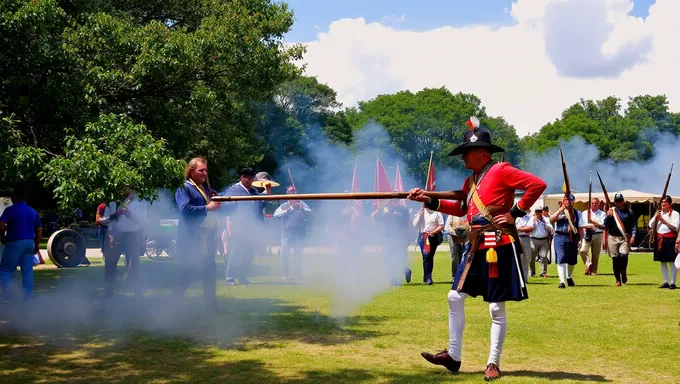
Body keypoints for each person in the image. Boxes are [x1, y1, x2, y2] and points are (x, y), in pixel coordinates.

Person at [408, 117, 546, 381]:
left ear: (482, 153)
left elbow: (536, 184)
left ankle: (493, 362)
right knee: (454, 297)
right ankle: (454, 356)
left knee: (496, 307)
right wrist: (430, 201)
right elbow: (461, 209)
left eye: (466, 153)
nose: (462, 158)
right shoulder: (470, 181)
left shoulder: (502, 169)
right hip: (475, 245)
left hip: (498, 244)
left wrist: (515, 212)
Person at [173, 156, 221, 303]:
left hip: (207, 236)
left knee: (210, 272)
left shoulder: (205, 188)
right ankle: (173, 304)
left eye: (206, 170)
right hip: (191, 238)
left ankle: (210, 305)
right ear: (191, 171)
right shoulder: (184, 188)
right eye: (201, 170)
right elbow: (185, 209)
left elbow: (214, 198)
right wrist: (207, 207)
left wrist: (216, 198)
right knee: (187, 273)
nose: (204, 173)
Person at [224, 167, 270, 285]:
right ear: (242, 177)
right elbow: (228, 210)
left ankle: (243, 278)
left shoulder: (254, 191)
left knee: (249, 253)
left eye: (252, 179)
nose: (250, 181)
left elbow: (260, 202)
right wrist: (229, 227)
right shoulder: (234, 190)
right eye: (248, 178)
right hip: (239, 227)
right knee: (236, 253)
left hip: (252, 228)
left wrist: (267, 191)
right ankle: (230, 278)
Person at [102, 189, 148, 298]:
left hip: (133, 235)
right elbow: (105, 220)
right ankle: (109, 295)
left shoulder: (140, 201)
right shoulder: (112, 200)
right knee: (110, 266)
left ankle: (138, 296)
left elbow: (141, 221)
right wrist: (116, 215)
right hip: (115, 234)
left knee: (134, 268)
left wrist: (127, 212)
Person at [0, 187, 42, 303]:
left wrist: (3, 236)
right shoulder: (32, 211)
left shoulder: (10, 210)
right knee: (27, 271)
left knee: (5, 270)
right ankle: (27, 298)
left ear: (14, 197)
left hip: (15, 241)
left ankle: (8, 295)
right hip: (29, 242)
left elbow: (1, 225)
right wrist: (37, 244)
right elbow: (39, 229)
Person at [273, 186, 311, 280]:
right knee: (284, 255)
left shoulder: (301, 203)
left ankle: (297, 275)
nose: (291, 194)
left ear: (295, 193)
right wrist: (288, 210)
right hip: (286, 233)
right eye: (289, 192)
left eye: (293, 192)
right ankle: (285, 275)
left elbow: (309, 213)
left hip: (299, 233)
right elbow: (276, 215)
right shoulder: (284, 205)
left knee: (298, 255)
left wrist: (302, 207)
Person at [550, 194, 586, 289]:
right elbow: (551, 220)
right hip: (559, 236)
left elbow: (580, 228)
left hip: (572, 237)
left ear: (573, 201)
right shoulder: (560, 212)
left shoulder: (578, 213)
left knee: (572, 261)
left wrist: (581, 240)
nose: (567, 202)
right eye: (565, 200)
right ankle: (562, 281)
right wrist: (560, 210)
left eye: (570, 200)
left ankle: (569, 276)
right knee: (561, 259)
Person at [375, 198, 413, 285]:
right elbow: (377, 219)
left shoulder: (403, 210)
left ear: (398, 201)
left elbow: (405, 222)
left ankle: (407, 271)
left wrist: (395, 215)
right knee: (387, 258)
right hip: (388, 238)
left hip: (399, 238)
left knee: (400, 259)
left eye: (396, 200)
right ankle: (393, 279)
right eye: (392, 200)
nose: (394, 202)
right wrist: (381, 210)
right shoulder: (385, 209)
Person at [603, 193, 636, 287]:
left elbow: (633, 225)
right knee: (615, 259)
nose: (619, 202)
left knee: (623, 256)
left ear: (623, 201)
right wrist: (608, 216)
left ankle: (623, 271)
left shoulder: (629, 212)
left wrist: (633, 236)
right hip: (612, 237)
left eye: (620, 200)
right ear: (614, 202)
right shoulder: (611, 211)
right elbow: (606, 224)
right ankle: (618, 279)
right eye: (617, 201)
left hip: (624, 237)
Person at [648, 196, 679, 289]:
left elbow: (675, 227)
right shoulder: (659, 213)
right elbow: (650, 225)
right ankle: (665, 281)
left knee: (671, 261)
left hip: (670, 239)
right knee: (662, 261)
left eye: (665, 202)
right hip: (660, 238)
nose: (663, 204)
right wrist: (655, 217)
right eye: (662, 202)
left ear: (670, 204)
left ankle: (673, 282)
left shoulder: (675, 214)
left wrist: (663, 221)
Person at [412, 206, 444, 285]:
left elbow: (441, 225)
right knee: (426, 256)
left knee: (429, 256)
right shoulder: (421, 212)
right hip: (423, 236)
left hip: (433, 236)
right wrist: (419, 215)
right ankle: (427, 277)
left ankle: (427, 276)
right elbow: (414, 224)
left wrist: (433, 232)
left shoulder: (437, 213)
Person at [579, 198, 606, 276]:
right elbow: (581, 224)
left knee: (595, 254)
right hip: (587, 233)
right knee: (582, 251)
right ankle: (588, 263)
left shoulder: (602, 214)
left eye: (596, 203)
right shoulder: (584, 213)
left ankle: (593, 271)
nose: (594, 205)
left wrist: (594, 223)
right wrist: (590, 226)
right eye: (592, 203)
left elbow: (603, 225)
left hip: (598, 234)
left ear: (599, 204)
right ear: (590, 204)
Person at [529, 207, 552, 280]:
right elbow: (529, 228)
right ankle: (532, 272)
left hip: (543, 240)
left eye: (539, 211)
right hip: (533, 239)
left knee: (544, 256)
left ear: (541, 212)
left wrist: (544, 224)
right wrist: (533, 222)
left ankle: (543, 272)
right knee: (532, 257)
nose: (538, 213)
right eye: (537, 211)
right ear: (535, 212)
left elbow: (551, 229)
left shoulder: (546, 220)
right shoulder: (531, 219)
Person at [446, 214, 469, 281]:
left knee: (464, 257)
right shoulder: (452, 215)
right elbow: (447, 227)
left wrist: (464, 234)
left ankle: (463, 276)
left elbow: (471, 225)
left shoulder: (468, 214)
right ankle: (455, 276)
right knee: (455, 258)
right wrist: (456, 234)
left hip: (465, 239)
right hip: (454, 239)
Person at [515, 213, 534, 279]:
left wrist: (519, 229)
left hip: (526, 238)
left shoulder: (529, 217)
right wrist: (524, 228)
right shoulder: (516, 217)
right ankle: (518, 276)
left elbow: (530, 228)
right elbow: (514, 228)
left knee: (527, 257)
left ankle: (525, 277)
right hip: (517, 238)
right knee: (519, 257)